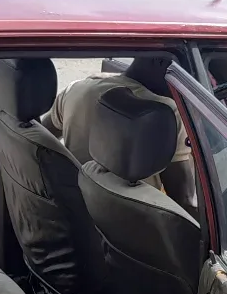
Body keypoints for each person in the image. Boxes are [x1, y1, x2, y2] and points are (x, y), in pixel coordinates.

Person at [42, 58, 196, 208]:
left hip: (78, 208)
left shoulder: (76, 89)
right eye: (190, 73)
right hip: (135, 218)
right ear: (160, 61)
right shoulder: (166, 111)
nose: (193, 84)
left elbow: (44, 136)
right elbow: (183, 200)